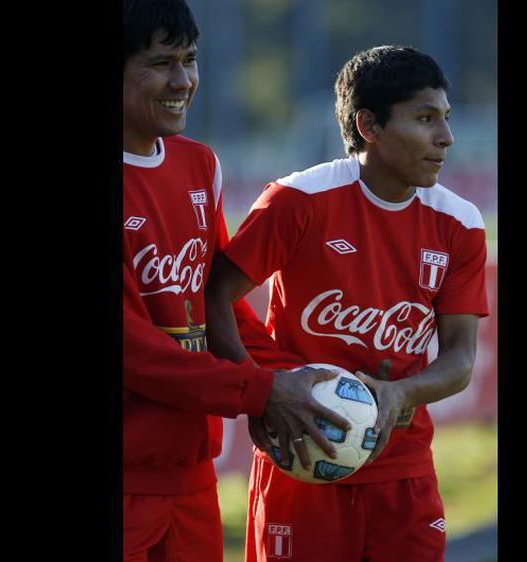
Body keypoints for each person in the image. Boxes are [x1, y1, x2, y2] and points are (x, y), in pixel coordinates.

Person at [205, 45, 490, 562]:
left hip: (403, 474)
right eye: (425, 118)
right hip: (301, 461)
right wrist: (261, 391)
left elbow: (460, 359)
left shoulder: (461, 224)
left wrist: (400, 394)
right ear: (369, 125)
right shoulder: (297, 200)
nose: (446, 137)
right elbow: (215, 296)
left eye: (445, 118)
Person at [121, 1, 350, 560]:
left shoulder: (198, 164)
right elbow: (134, 349)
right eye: (161, 63)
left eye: (189, 59)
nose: (183, 81)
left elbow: (211, 305)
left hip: (190, 479)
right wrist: (263, 392)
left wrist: (294, 380)